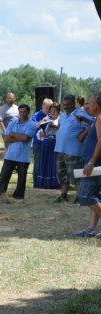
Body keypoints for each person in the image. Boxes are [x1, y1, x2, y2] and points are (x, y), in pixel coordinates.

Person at [72, 92, 101, 237]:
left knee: (84, 195)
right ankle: (91, 229)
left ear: (97, 105)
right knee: (95, 196)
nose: (87, 106)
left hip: (95, 163)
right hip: (93, 162)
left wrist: (91, 163)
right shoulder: (96, 119)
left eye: (89, 103)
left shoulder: (100, 119)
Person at [53, 94, 91, 203]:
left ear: (74, 103)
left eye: (68, 104)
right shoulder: (63, 115)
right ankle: (64, 195)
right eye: (64, 105)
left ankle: (80, 197)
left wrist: (82, 135)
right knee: (62, 174)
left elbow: (93, 123)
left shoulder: (80, 113)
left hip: (74, 151)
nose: (65, 107)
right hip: (61, 149)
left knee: (76, 175)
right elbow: (61, 127)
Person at [0, 105, 36, 200]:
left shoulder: (32, 124)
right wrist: (19, 137)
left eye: (24, 112)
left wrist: (13, 134)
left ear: (28, 113)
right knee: (4, 177)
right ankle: (0, 195)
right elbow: (6, 138)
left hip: (23, 157)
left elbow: (25, 138)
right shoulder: (13, 122)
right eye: (20, 112)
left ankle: (18, 197)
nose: (21, 114)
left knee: (21, 179)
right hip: (10, 155)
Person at [35, 103, 61, 189]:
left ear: (58, 112)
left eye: (55, 111)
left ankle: (55, 183)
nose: (53, 112)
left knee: (54, 162)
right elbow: (39, 131)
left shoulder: (60, 120)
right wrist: (43, 127)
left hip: (56, 143)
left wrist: (57, 127)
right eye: (51, 110)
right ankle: (44, 183)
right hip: (46, 143)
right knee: (45, 161)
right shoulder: (46, 120)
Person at [31, 98, 53, 187]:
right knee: (38, 164)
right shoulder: (36, 115)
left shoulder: (53, 114)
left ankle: (47, 183)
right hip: (38, 144)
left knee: (48, 163)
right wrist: (43, 120)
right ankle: (36, 184)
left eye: (49, 108)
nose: (48, 110)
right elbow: (33, 127)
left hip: (50, 144)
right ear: (42, 106)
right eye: (46, 107)